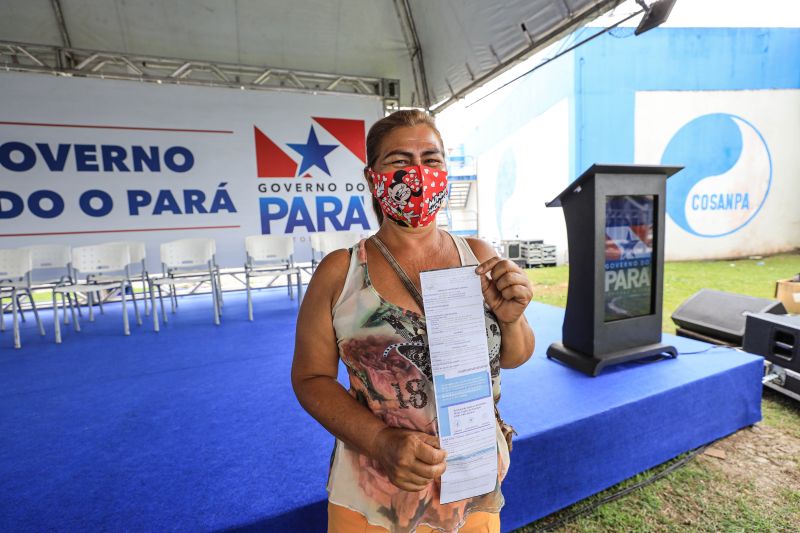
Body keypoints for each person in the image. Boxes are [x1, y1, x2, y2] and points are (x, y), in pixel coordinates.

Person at [292, 109, 535, 533]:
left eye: (432, 159)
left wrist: (513, 319)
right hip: (377, 497)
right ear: (372, 178)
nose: (419, 173)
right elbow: (311, 378)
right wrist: (380, 441)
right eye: (400, 161)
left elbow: (514, 357)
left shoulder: (478, 256)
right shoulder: (341, 272)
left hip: (473, 482)